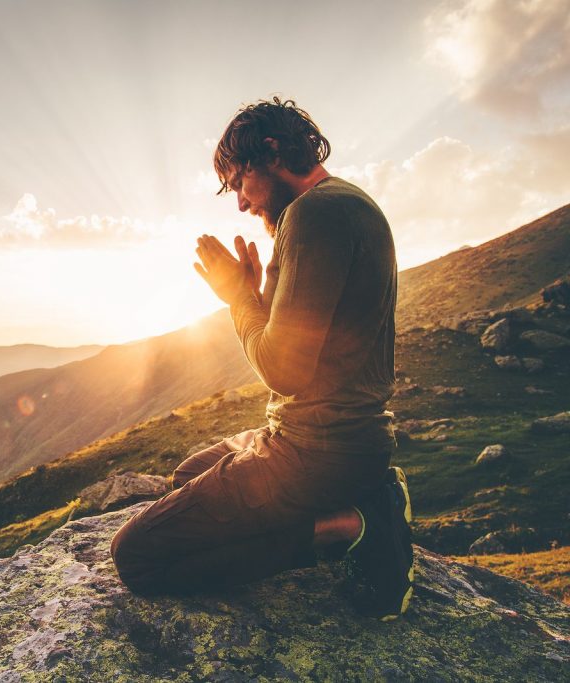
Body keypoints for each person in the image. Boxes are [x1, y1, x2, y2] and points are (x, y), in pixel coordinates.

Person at [109, 97, 414, 620]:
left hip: (317, 451)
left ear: (271, 151)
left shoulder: (314, 213)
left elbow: (284, 370)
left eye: (238, 182)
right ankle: (362, 494)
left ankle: (355, 524)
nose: (242, 205)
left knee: (136, 557)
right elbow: (315, 337)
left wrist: (238, 299)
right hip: (339, 441)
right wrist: (259, 293)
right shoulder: (344, 203)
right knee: (188, 478)